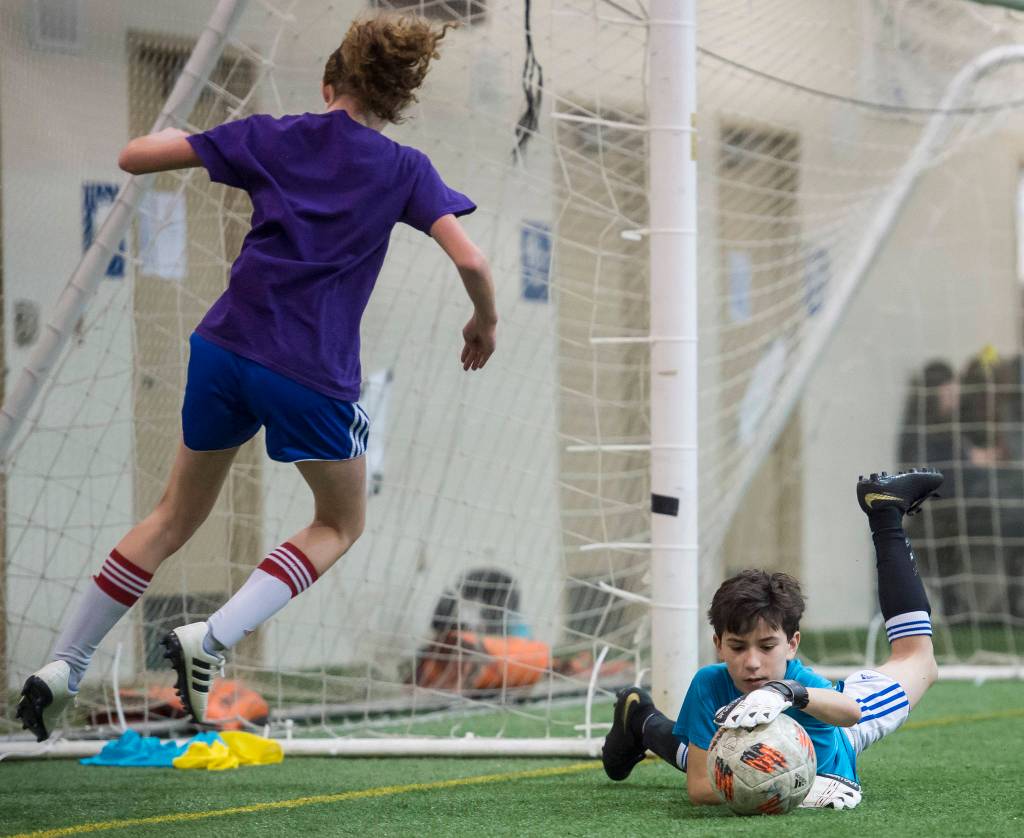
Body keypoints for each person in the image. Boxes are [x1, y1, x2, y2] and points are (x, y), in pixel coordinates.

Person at [17, 13, 498, 741]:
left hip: (223, 348)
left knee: (172, 516)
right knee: (340, 522)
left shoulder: (269, 135)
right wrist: (483, 322)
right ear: (396, 100)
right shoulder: (405, 168)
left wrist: (221, 142)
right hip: (307, 369)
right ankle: (208, 639)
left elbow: (133, 155)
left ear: (328, 81)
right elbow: (472, 261)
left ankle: (65, 664)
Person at [601, 469, 943, 810]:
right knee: (719, 759)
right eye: (737, 647)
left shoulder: (802, 683)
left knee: (919, 660)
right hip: (753, 751)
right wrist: (796, 791)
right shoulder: (709, 682)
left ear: (792, 644)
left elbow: (852, 713)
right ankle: (637, 715)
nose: (752, 662)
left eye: (767, 647)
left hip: (842, 733)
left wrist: (791, 692)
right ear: (718, 644)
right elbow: (701, 788)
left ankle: (885, 512)